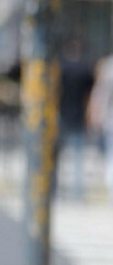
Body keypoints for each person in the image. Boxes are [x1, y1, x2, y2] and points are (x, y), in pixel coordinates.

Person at [56, 38, 93, 199]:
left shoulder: (62, 69)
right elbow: (89, 95)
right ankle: (76, 193)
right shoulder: (85, 70)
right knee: (77, 157)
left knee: (57, 156)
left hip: (63, 115)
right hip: (78, 116)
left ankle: (54, 189)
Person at [88, 54, 113, 202]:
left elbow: (100, 95)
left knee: (110, 157)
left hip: (110, 120)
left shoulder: (108, 67)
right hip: (109, 120)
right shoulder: (108, 67)